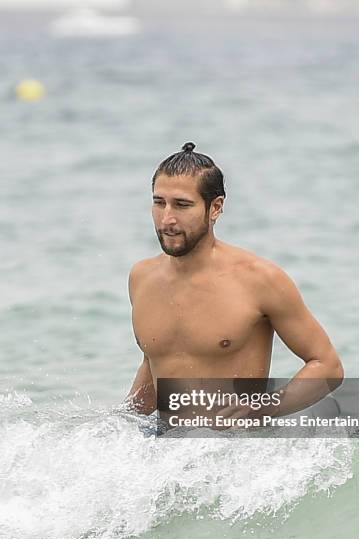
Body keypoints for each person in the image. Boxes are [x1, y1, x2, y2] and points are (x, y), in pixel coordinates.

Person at [125, 142, 343, 426]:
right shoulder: (142, 278)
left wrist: (265, 408)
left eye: (182, 204)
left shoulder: (260, 279)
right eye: (158, 203)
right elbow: (154, 364)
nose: (167, 219)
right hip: (166, 451)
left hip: (236, 452)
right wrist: (120, 426)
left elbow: (328, 366)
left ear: (215, 208)